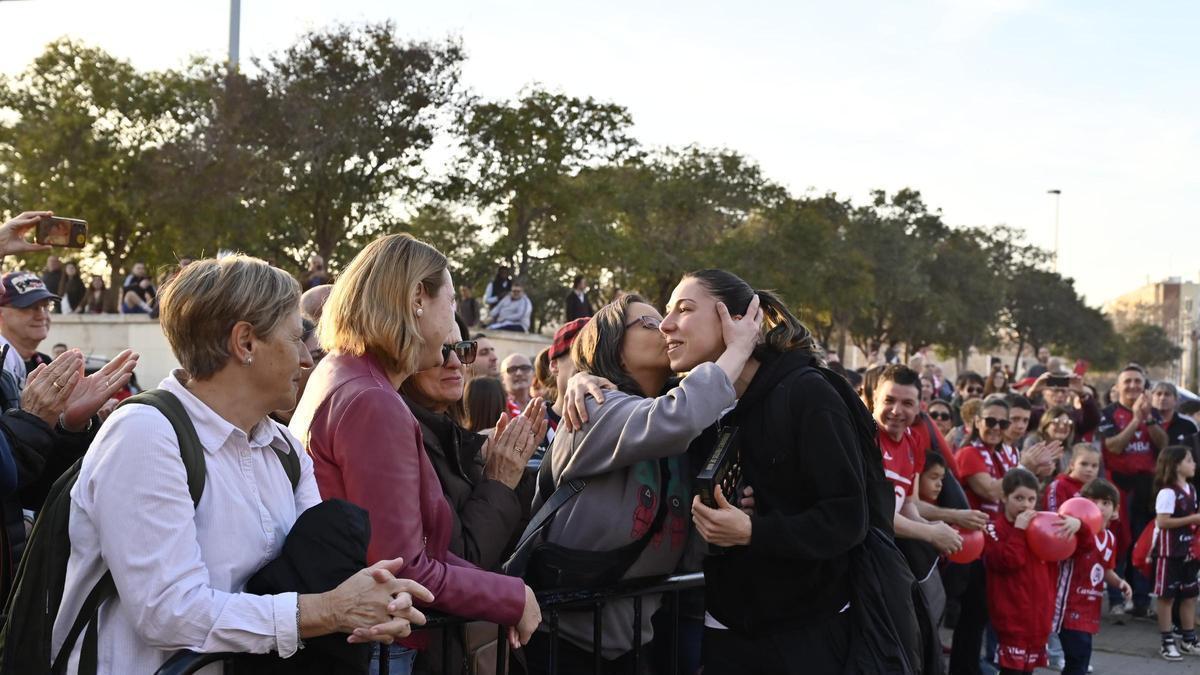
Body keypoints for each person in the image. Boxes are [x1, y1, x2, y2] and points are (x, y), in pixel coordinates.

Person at [52, 254, 432, 673]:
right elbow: (167, 612)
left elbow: (316, 581)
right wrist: (325, 611)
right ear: (245, 342)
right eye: (293, 340)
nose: (308, 361)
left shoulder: (284, 448)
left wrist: (373, 597)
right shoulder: (145, 434)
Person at [289, 234, 541, 675]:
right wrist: (511, 597)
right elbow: (404, 569)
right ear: (417, 299)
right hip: (377, 650)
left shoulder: (349, 375)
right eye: (449, 302)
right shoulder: (371, 398)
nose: (451, 330)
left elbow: (421, 548)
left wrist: (506, 588)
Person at [649, 269, 874, 673]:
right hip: (725, 625)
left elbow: (847, 518)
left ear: (733, 320)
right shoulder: (695, 402)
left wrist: (754, 531)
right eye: (667, 312)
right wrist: (582, 380)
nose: (665, 325)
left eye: (684, 309)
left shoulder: (807, 392)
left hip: (807, 629)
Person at [525, 292, 760, 674]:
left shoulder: (670, 418)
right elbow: (679, 416)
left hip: (632, 644)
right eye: (649, 322)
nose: (667, 326)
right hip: (562, 643)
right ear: (612, 346)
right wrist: (739, 345)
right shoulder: (592, 404)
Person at [399, 316, 546, 674]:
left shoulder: (456, 439)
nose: (454, 362)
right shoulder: (404, 439)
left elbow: (510, 544)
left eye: (462, 350)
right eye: (440, 350)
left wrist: (507, 474)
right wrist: (499, 481)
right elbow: (456, 557)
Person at [984, 468, 1080, 675]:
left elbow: (1082, 549)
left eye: (1031, 499)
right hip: (1010, 620)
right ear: (1004, 497)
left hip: (1038, 620)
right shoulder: (994, 529)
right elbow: (1008, 561)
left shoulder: (1044, 527)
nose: (1025, 505)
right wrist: (1018, 530)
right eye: (1018, 498)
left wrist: (1079, 525)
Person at [1098, 364, 1167, 619]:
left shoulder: (1154, 414)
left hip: (1146, 488)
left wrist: (1147, 419)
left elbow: (1163, 444)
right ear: (1118, 386)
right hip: (1118, 488)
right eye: (1128, 381)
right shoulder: (1108, 414)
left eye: (1138, 381)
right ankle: (1116, 599)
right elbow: (1114, 446)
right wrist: (1135, 420)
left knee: (1143, 544)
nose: (1133, 386)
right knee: (1118, 543)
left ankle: (1140, 601)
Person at [1054, 478, 1129, 675]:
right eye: (1093, 502)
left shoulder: (1110, 538)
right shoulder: (1075, 534)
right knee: (1077, 661)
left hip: (1090, 608)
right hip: (1069, 607)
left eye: (1105, 503)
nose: (1099, 507)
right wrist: (1078, 524)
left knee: (1081, 661)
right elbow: (1078, 548)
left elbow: (1105, 570)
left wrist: (1119, 583)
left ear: (1115, 510)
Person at [1151, 446, 1200, 661]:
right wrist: (1192, 519)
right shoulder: (1168, 492)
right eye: (1189, 460)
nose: (1194, 464)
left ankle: (1189, 639)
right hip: (1169, 553)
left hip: (1188, 552)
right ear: (1176, 465)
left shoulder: (1192, 489)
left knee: (1190, 596)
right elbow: (1162, 521)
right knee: (1167, 597)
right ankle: (1167, 641)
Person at [0, 271, 58, 380]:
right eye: (30, 307)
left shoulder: (45, 362)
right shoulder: (3, 366)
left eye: (46, 306)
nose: (42, 316)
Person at [1046, 444, 1101, 512]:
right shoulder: (1059, 485)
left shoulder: (1097, 489)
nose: (1089, 469)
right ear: (1072, 464)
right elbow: (1053, 515)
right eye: (1084, 464)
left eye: (1094, 466)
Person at [500, 353, 534, 418]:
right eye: (512, 369)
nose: (519, 373)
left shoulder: (543, 406)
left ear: (533, 373)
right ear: (502, 377)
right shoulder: (498, 407)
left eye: (524, 368)